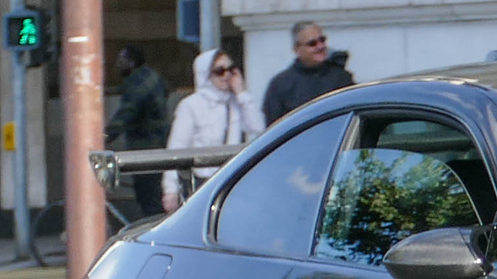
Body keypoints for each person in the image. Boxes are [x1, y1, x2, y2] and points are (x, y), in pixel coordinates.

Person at [162, 46, 267, 212]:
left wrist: (241, 93)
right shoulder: (191, 105)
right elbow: (176, 147)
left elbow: (258, 127)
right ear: (206, 75)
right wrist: (170, 189)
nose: (226, 75)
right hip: (201, 184)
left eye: (231, 70)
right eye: (220, 71)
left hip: (231, 181)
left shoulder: (236, 103)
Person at [105, 45, 171, 220]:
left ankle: (154, 232)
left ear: (131, 62)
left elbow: (127, 112)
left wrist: (105, 136)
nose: (117, 65)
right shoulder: (153, 77)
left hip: (145, 146)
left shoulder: (137, 82)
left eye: (121, 60)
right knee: (153, 194)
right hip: (158, 144)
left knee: (148, 198)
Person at [263, 19, 353, 123]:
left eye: (322, 40)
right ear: (297, 49)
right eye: (312, 43)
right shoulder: (280, 85)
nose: (320, 46)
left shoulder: (342, 78)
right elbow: (274, 129)